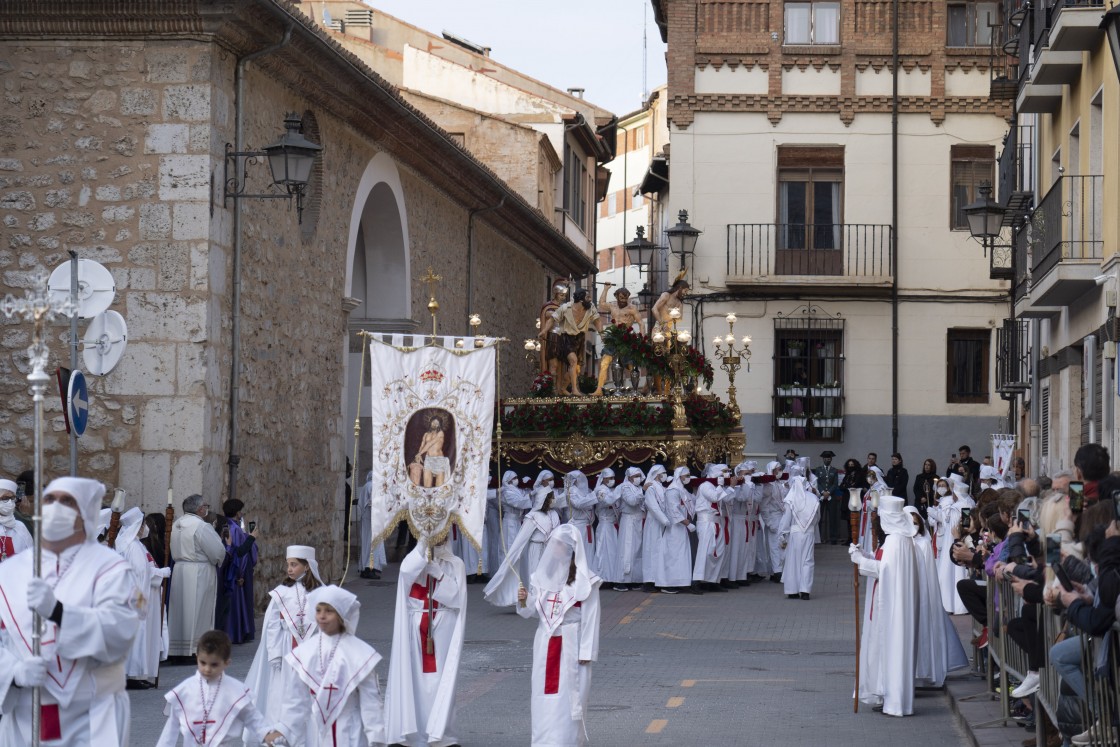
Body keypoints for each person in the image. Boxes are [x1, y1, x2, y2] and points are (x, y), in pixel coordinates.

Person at [0, 476, 140, 745]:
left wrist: (58, 612)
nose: (56, 507)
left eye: (67, 501)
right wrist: (13, 673)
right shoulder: (10, 572)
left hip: (91, 713)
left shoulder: (111, 569)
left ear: (85, 510)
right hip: (27, 714)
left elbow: (120, 631)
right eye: (50, 500)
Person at [515, 524, 601, 747]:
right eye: (553, 544)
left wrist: (587, 651)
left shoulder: (586, 581)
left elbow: (591, 617)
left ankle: (566, 741)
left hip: (572, 644)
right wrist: (523, 599)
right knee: (543, 695)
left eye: (559, 545)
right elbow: (531, 611)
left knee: (568, 697)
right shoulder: (542, 577)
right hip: (545, 642)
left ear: (571, 549)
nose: (554, 549)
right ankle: (544, 740)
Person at [272, 586, 386, 747]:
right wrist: (284, 730)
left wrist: (376, 736)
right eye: (318, 610)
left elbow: (371, 702)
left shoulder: (360, 654)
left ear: (341, 615)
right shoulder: (305, 652)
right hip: (318, 732)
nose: (322, 616)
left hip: (351, 732)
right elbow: (296, 700)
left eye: (329, 611)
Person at [387, 537, 466, 747]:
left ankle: (442, 733)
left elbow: (459, 600)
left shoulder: (455, 563)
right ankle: (414, 734)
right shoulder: (414, 560)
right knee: (414, 677)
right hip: (415, 623)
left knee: (441, 677)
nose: (437, 537)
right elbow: (405, 574)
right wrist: (423, 549)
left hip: (443, 623)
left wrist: (440, 575)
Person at [849, 495, 918, 716]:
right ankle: (886, 693)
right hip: (890, 599)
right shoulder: (898, 539)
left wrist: (859, 560)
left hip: (891, 605)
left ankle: (894, 700)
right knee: (883, 648)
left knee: (890, 646)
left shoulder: (897, 541)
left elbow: (883, 570)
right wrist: (865, 554)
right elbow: (884, 563)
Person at [244, 545, 323, 724]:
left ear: (307, 566)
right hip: (286, 647)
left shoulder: (320, 592)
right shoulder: (281, 593)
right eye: (288, 564)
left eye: (294, 564)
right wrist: (274, 654)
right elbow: (272, 625)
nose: (289, 569)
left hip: (310, 649)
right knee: (283, 689)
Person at [157, 629, 272, 746]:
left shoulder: (234, 690)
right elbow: (171, 727)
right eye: (203, 662)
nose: (207, 669)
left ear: (227, 662)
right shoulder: (185, 690)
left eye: (214, 665)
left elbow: (251, 716)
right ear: (197, 657)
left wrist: (265, 733)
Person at [904, 507, 968, 688]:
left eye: (916, 523)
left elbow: (928, 574)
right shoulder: (902, 543)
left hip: (923, 595)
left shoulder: (923, 544)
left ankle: (929, 671)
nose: (913, 527)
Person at [117, 507, 171, 690]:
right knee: (138, 634)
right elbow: (140, 574)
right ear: (137, 526)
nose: (145, 527)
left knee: (144, 635)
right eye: (142, 524)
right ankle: (133, 674)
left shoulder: (137, 544)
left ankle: (140, 672)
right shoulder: (131, 547)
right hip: (139, 597)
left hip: (144, 595)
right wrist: (160, 574)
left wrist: (156, 573)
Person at [169, 493, 226, 657]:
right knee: (198, 610)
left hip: (179, 569)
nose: (206, 509)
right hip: (198, 571)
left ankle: (177, 650)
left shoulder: (176, 524)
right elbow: (216, 551)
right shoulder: (201, 526)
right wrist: (220, 557)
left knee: (180, 610)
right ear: (201, 509)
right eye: (205, 506)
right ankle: (194, 649)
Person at [486, 486, 562, 607]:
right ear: (545, 499)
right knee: (535, 574)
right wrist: (513, 555)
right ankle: (534, 602)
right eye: (552, 497)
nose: (554, 499)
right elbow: (521, 538)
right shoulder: (533, 516)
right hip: (535, 549)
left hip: (550, 550)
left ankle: (548, 600)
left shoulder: (554, 514)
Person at [540, 288, 605, 397]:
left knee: (576, 367)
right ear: (580, 299)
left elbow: (597, 321)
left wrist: (602, 335)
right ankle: (574, 390)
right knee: (573, 361)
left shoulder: (591, 308)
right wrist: (544, 331)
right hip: (567, 337)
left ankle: (563, 388)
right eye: (588, 297)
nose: (590, 299)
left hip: (580, 338)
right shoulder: (565, 308)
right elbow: (552, 319)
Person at [927, 475, 974, 614]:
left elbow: (965, 525)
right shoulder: (956, 506)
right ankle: (947, 603)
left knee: (957, 571)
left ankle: (958, 605)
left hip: (956, 540)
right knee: (947, 572)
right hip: (950, 539)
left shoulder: (964, 506)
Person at [593, 284, 645, 396]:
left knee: (631, 364)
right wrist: (606, 289)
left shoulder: (632, 308)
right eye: (621, 298)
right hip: (613, 337)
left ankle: (635, 390)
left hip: (627, 337)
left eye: (626, 298)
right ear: (616, 297)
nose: (623, 301)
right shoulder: (612, 306)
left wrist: (641, 338)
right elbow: (601, 304)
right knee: (604, 362)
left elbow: (641, 323)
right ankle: (599, 389)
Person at [220, 499, 257, 644]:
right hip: (237, 570)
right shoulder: (234, 529)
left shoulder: (228, 525)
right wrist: (240, 575)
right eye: (240, 510)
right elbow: (239, 553)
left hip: (232, 569)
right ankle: (236, 632)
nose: (242, 513)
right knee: (237, 603)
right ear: (237, 512)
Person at [779, 475, 820, 600]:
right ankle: (805, 590)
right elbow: (817, 517)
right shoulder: (813, 498)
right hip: (809, 533)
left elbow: (786, 520)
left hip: (795, 534)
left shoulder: (790, 499)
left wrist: (782, 534)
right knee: (807, 561)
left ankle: (793, 590)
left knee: (793, 562)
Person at [693, 464, 733, 592]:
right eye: (724, 472)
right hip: (706, 522)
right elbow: (714, 497)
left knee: (719, 552)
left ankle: (713, 580)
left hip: (717, 522)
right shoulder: (705, 485)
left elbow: (727, 498)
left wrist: (730, 487)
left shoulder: (717, 486)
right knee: (706, 551)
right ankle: (697, 581)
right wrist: (722, 486)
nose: (727, 474)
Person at [661, 466, 696, 594]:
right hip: (675, 528)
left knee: (682, 556)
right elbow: (673, 511)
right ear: (679, 476)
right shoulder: (672, 490)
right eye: (685, 476)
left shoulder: (682, 490)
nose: (688, 478)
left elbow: (692, 502)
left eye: (688, 475)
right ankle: (669, 584)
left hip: (682, 529)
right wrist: (687, 523)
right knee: (673, 556)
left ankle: (681, 582)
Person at [727, 461, 759, 587]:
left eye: (749, 474)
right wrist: (747, 485)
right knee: (735, 549)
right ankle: (732, 577)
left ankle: (741, 575)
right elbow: (741, 498)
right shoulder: (736, 486)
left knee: (744, 549)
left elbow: (756, 498)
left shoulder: (748, 485)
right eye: (745, 474)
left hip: (744, 519)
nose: (748, 476)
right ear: (738, 473)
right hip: (735, 520)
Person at [616, 467, 646, 591]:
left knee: (636, 550)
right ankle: (621, 580)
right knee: (626, 550)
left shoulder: (638, 488)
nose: (638, 478)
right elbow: (632, 501)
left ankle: (634, 579)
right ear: (629, 477)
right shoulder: (625, 487)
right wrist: (643, 491)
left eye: (639, 475)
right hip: (628, 521)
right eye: (635, 476)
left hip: (638, 521)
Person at [641, 465, 670, 591]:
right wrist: (665, 520)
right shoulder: (651, 488)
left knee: (660, 551)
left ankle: (658, 579)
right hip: (654, 523)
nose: (664, 475)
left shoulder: (662, 488)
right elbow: (653, 507)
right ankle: (649, 580)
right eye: (663, 473)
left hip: (662, 523)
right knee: (652, 550)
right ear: (657, 474)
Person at [758, 461, 787, 583]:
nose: (779, 471)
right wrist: (769, 522)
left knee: (782, 545)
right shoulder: (768, 486)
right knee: (775, 546)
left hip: (782, 517)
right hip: (773, 518)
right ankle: (777, 571)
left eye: (780, 469)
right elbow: (764, 507)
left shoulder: (780, 484)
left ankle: (779, 570)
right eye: (777, 469)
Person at [592, 470, 621, 586]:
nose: (612, 480)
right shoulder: (600, 490)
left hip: (612, 524)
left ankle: (612, 577)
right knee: (603, 551)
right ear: (603, 479)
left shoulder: (609, 490)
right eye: (609, 478)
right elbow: (608, 501)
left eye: (613, 477)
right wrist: (619, 490)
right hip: (604, 524)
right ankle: (602, 577)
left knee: (613, 552)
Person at [564, 470, 597, 572]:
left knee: (589, 552)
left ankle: (589, 575)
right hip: (578, 525)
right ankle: (577, 578)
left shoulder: (588, 491)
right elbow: (578, 504)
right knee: (579, 552)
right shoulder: (571, 491)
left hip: (587, 525)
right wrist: (594, 496)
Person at [358, 470, 386, 580]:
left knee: (367, 544)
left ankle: (367, 567)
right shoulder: (372, 486)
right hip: (372, 519)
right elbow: (374, 503)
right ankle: (368, 568)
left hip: (367, 519)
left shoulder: (366, 486)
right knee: (372, 544)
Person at [499, 471, 532, 562]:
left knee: (517, 547)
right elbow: (518, 503)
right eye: (514, 478)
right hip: (510, 522)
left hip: (517, 521)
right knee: (510, 546)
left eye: (517, 477)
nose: (516, 480)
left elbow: (524, 496)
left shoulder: (516, 490)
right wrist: (530, 495)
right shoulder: (506, 491)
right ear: (509, 480)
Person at [538, 283, 568, 378]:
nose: (563, 297)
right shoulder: (548, 306)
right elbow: (548, 315)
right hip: (553, 336)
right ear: (556, 294)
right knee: (553, 364)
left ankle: (557, 388)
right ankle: (551, 389)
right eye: (561, 295)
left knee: (560, 365)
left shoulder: (565, 308)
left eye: (565, 296)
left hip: (562, 336)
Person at [812, 451, 843, 545]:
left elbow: (835, 484)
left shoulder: (834, 470)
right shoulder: (818, 469)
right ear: (823, 459)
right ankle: (819, 538)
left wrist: (828, 492)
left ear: (831, 459)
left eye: (829, 459)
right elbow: (817, 482)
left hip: (831, 496)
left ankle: (833, 538)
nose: (827, 460)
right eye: (825, 459)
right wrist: (822, 492)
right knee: (819, 517)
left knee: (833, 518)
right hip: (820, 496)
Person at [0, 478, 32, 561]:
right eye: (5, 498)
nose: (10, 502)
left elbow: (30, 558)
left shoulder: (20, 526)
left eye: (13, 498)